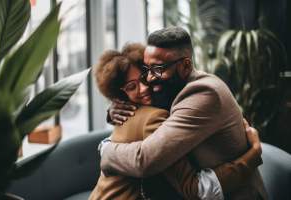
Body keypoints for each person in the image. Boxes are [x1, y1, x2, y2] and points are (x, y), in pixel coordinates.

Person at [99, 27, 268, 199]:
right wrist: (114, 108)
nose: (149, 78)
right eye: (147, 70)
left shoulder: (203, 93)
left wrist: (106, 149)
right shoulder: (172, 85)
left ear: (186, 65)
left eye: (157, 68)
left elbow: (145, 160)